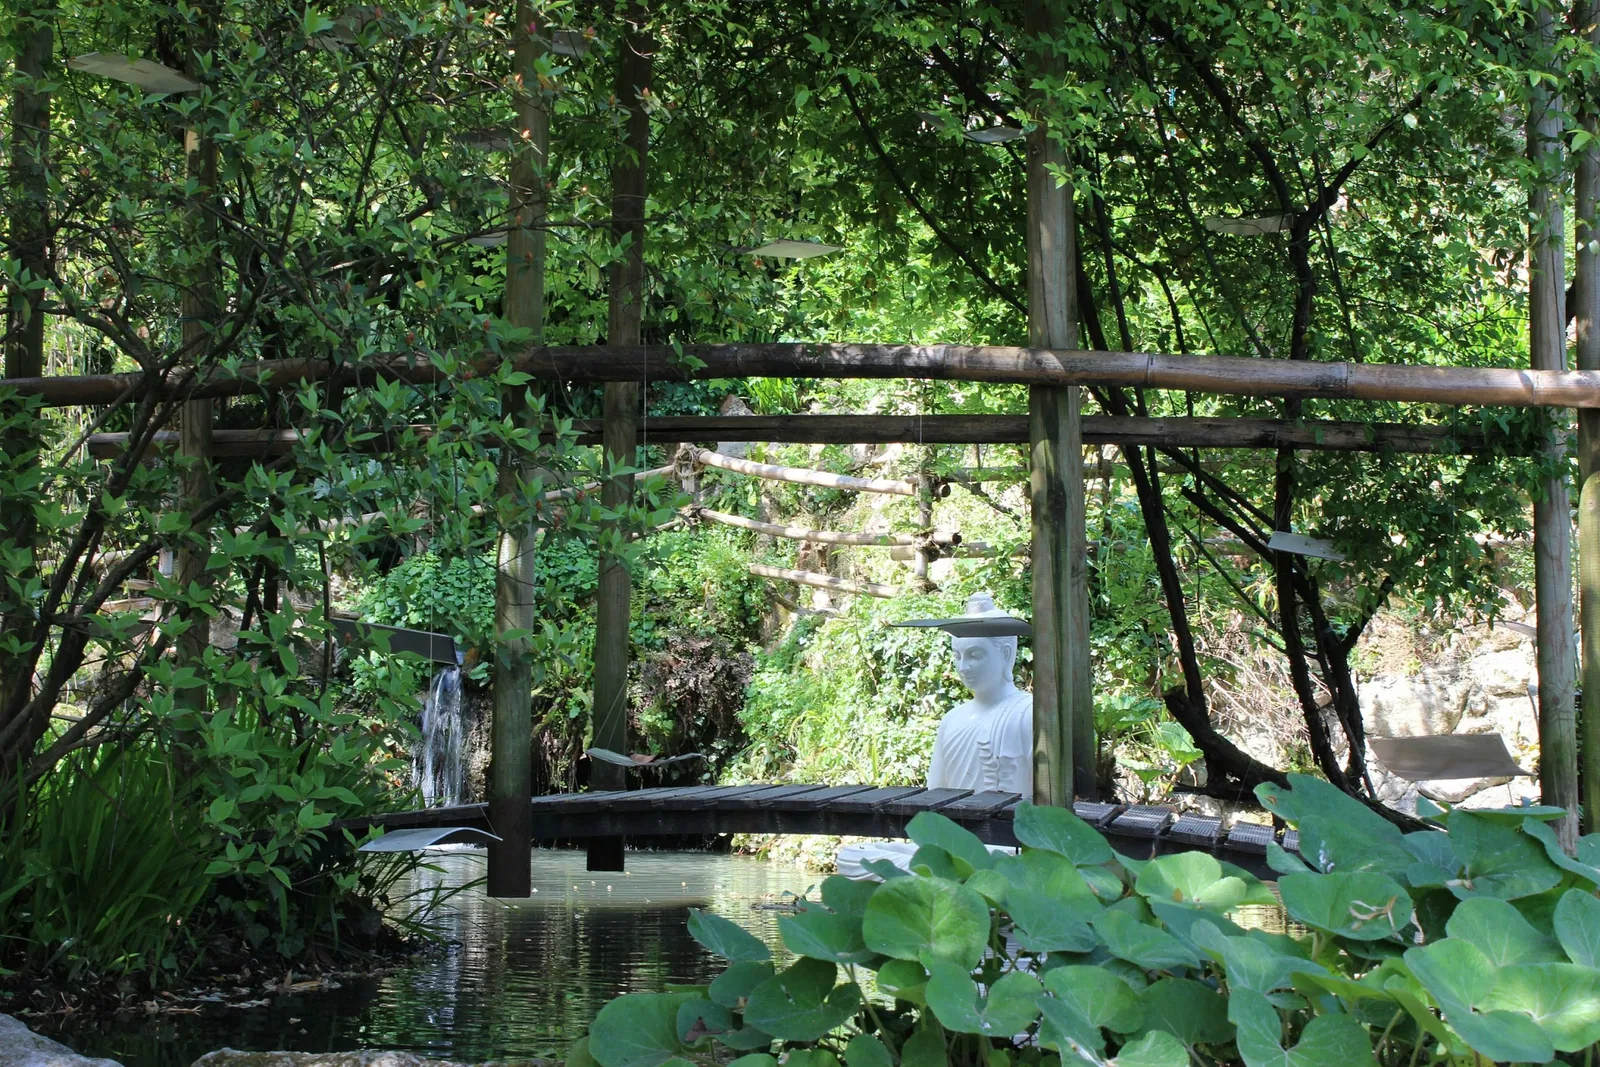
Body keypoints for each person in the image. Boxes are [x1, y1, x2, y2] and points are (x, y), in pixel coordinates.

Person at [836, 593, 1032, 879]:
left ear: (1005, 655)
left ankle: (947, 879)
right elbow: (935, 799)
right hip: (951, 848)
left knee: (986, 865)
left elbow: (1041, 806)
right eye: (957, 656)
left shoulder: (1028, 712)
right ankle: (942, 877)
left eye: (975, 655)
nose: (963, 667)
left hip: (1002, 852)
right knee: (854, 856)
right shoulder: (952, 720)